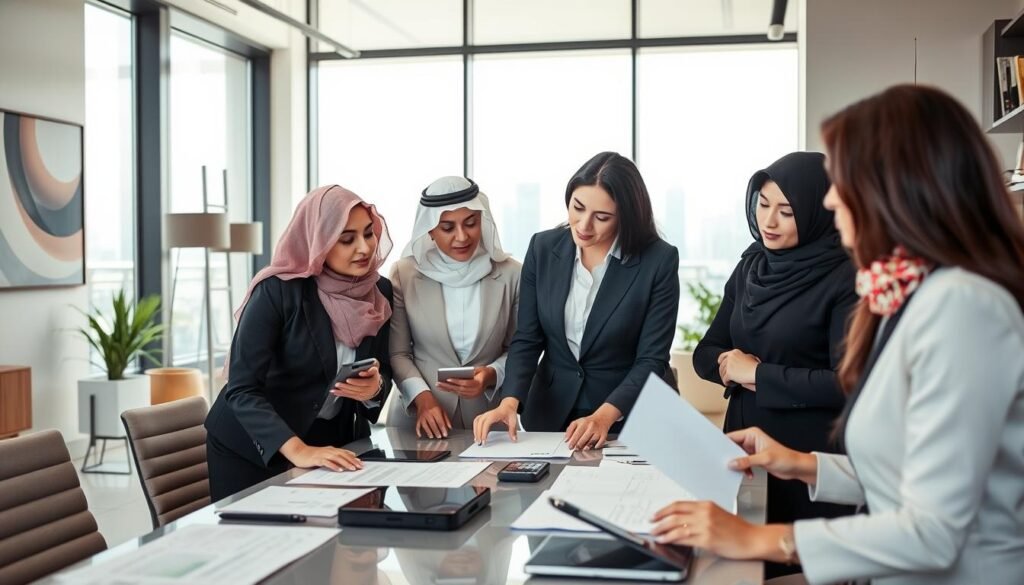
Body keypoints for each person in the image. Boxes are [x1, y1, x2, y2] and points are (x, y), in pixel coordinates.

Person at [650, 85, 1024, 585]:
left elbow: (934, 529)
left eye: (842, 180)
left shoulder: (962, 306)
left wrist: (758, 539)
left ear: (898, 188)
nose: (827, 198)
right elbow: (900, 477)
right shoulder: (909, 295)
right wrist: (802, 464)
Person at [692, 152, 857, 576]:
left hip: (806, 454)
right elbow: (705, 352)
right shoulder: (751, 265)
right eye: (762, 204)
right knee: (734, 569)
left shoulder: (844, 277)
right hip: (743, 443)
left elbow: (846, 383)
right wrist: (729, 365)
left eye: (786, 211)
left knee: (792, 566)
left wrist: (758, 374)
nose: (769, 220)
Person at [473, 151, 680, 450]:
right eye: (577, 208)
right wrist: (509, 401)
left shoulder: (658, 261)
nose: (584, 225)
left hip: (628, 415)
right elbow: (528, 338)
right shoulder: (542, 248)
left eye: (602, 217)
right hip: (552, 412)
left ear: (626, 216)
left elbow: (652, 359)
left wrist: (604, 417)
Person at [204, 185, 395, 501]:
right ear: (318, 241)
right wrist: (300, 450)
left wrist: (373, 389)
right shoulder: (277, 291)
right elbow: (242, 388)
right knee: (265, 546)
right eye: (346, 239)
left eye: (368, 234)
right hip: (254, 445)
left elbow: (383, 371)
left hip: (330, 444)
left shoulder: (380, 291)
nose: (363, 248)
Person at [387, 177, 521, 438]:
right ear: (430, 232)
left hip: (488, 421)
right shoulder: (404, 274)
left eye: (471, 223)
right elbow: (398, 353)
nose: (462, 237)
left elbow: (519, 348)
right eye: (447, 228)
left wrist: (491, 375)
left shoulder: (511, 274)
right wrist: (423, 400)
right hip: (418, 419)